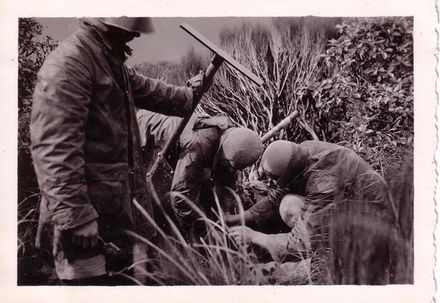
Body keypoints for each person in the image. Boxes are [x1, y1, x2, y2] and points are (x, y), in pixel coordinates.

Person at [30, 17, 207, 285]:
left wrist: (190, 95)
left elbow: (149, 89)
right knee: (91, 288)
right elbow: (54, 149)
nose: (135, 37)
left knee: (134, 281)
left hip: (118, 211)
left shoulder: (106, 60)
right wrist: (76, 216)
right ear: (105, 23)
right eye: (128, 30)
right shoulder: (70, 63)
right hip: (87, 220)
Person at [227, 140, 386, 263]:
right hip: (353, 205)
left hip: (374, 223)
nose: (274, 184)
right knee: (287, 202)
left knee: (289, 206)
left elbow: (301, 242)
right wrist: (240, 217)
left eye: (276, 180)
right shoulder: (302, 151)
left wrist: (255, 237)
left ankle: (330, 251)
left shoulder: (322, 182)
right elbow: (277, 194)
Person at [136, 109, 264, 239]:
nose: (231, 171)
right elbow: (180, 197)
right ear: (224, 153)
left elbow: (226, 180)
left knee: (202, 189)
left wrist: (225, 214)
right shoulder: (199, 144)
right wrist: (206, 232)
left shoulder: (230, 139)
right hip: (140, 134)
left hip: (173, 146)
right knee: (153, 201)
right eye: (230, 166)